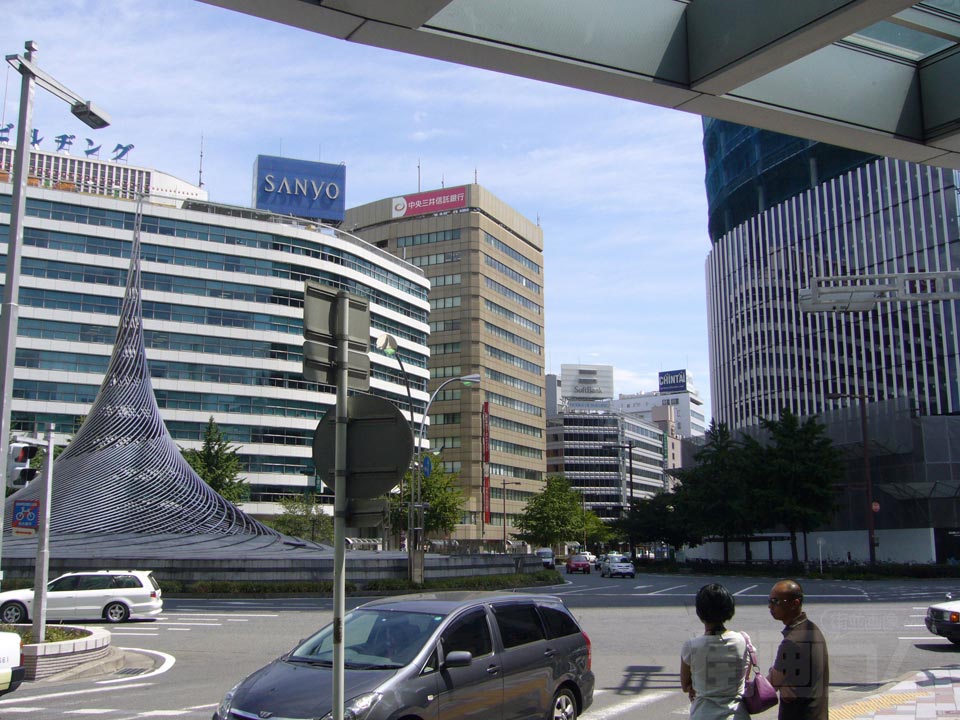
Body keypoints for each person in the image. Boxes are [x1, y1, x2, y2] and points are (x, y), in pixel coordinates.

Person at [680, 583, 750, 719]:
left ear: (700, 612)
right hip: (737, 714)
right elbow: (745, 675)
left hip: (703, 714)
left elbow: (685, 685)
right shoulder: (742, 640)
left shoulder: (692, 646)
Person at [767, 579, 829, 720]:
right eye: (769, 600)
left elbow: (771, 684)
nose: (770, 606)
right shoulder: (812, 629)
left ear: (795, 603)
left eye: (775, 601)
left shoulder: (792, 642)